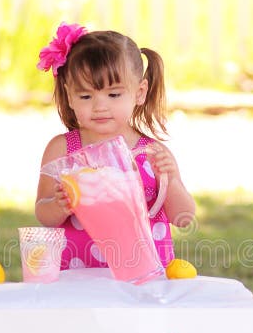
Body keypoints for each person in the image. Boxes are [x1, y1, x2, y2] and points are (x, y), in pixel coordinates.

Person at [35, 22, 195, 270]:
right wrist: (58, 205)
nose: (100, 106)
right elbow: (43, 215)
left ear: (140, 92)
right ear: (69, 95)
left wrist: (170, 180)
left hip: (143, 277)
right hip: (79, 277)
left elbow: (183, 217)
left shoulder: (153, 154)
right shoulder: (63, 150)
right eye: (86, 96)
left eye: (114, 95)